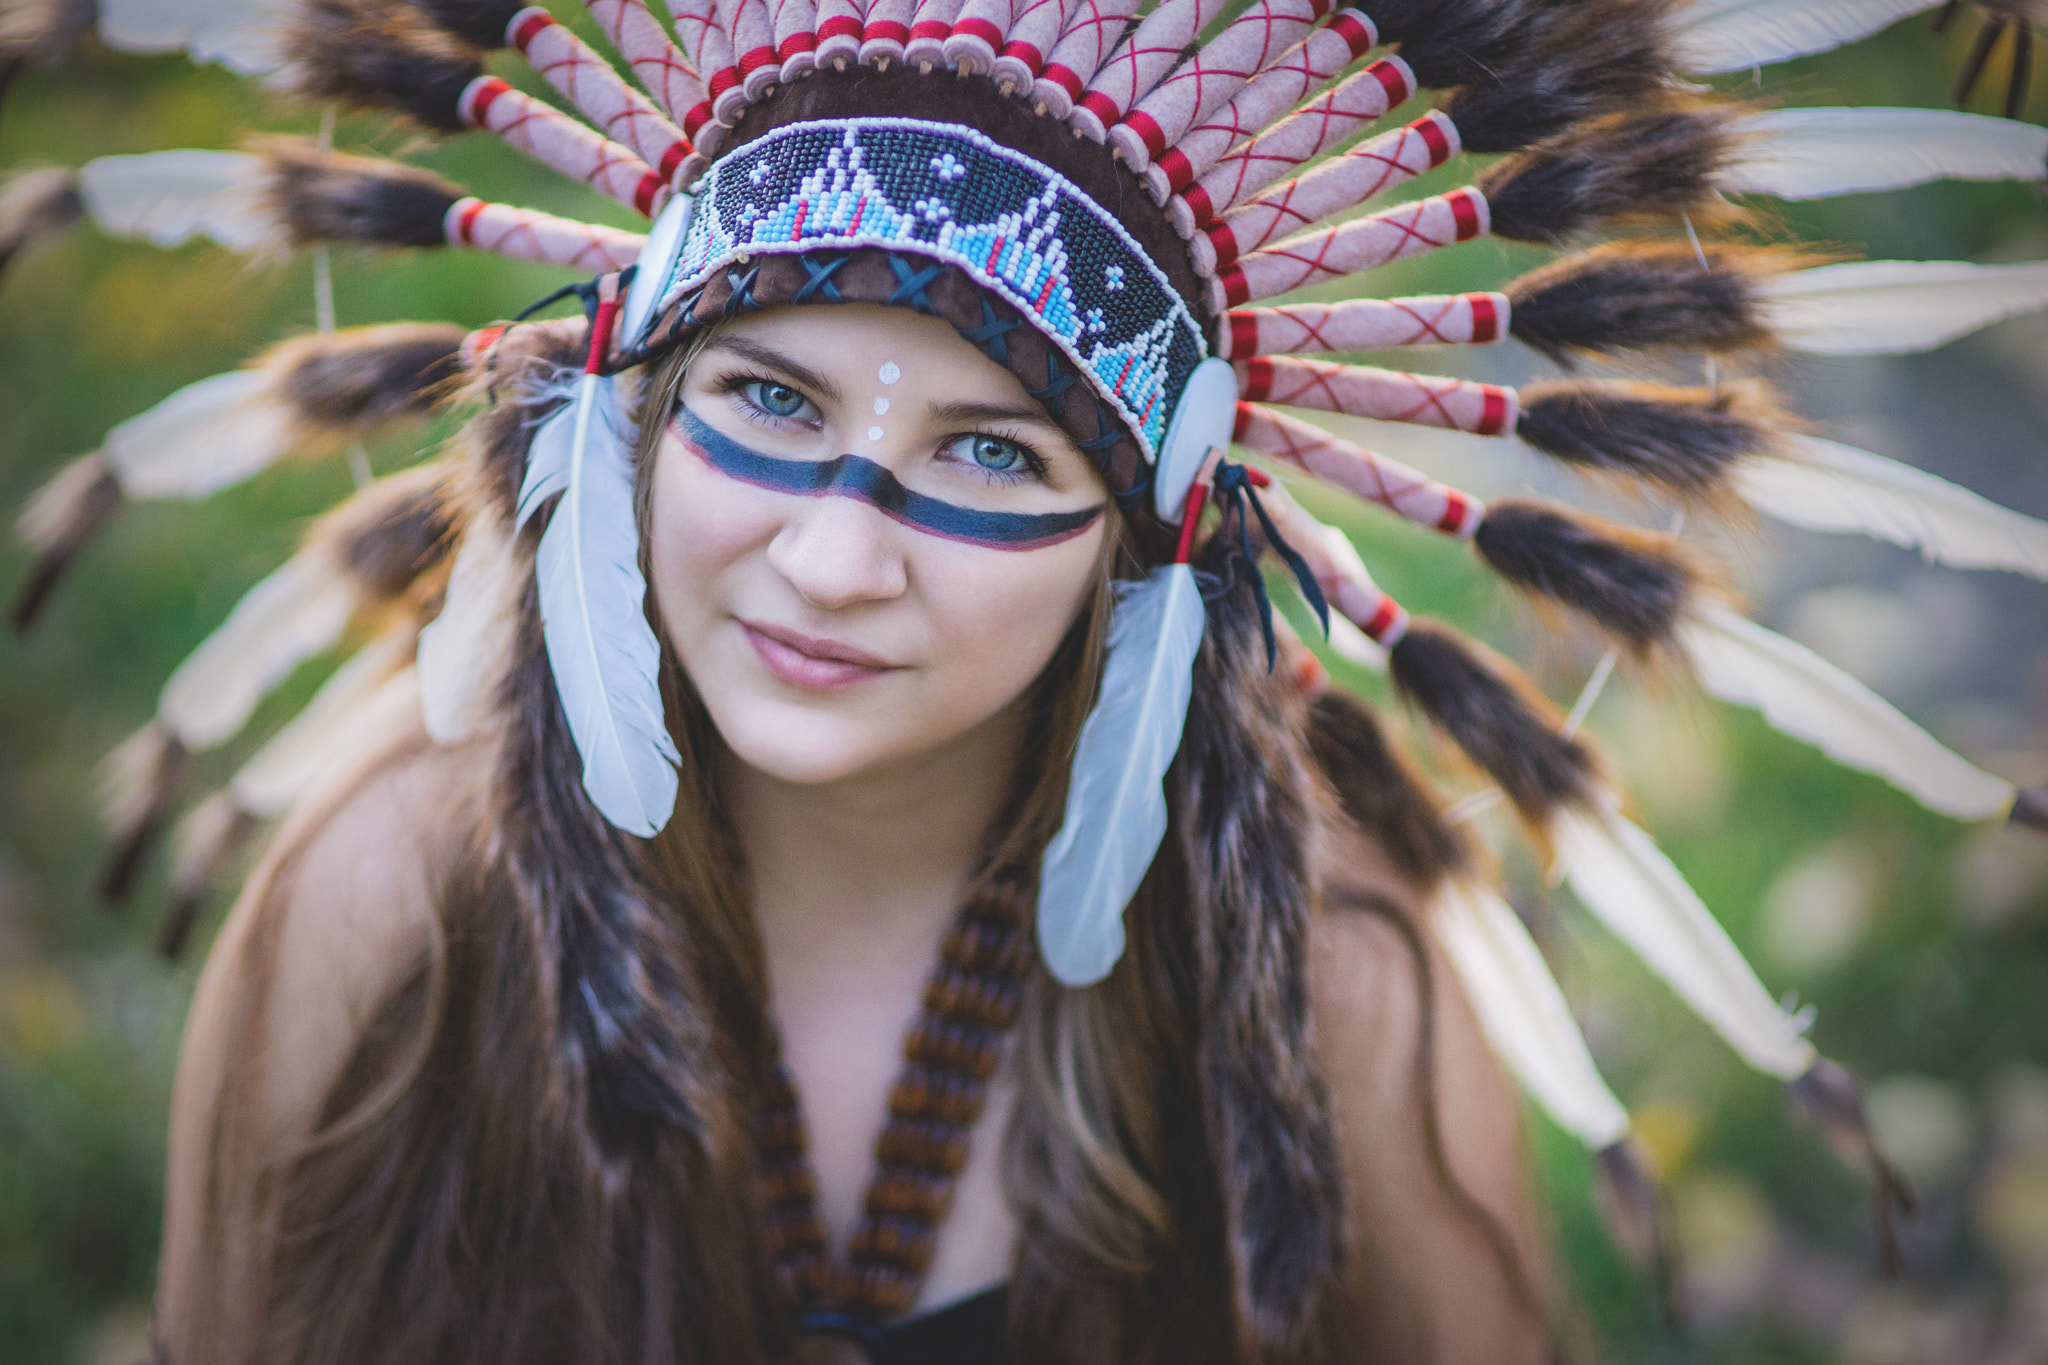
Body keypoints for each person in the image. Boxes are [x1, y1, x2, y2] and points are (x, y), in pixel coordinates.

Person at [9, 0, 2046, 1360]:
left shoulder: (1317, 954)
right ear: (616, 412)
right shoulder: (393, 889)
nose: (827, 555)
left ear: (1151, 535)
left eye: (995, 451)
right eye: (763, 400)